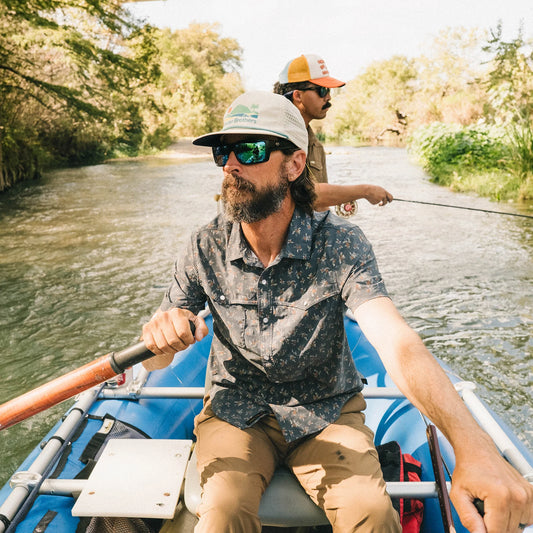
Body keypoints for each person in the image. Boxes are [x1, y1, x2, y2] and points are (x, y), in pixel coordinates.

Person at [142, 91, 532, 533]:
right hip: (236, 410)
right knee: (221, 514)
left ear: (293, 165)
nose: (232, 164)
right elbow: (156, 359)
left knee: (372, 512)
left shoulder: (341, 243)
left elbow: (395, 341)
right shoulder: (203, 245)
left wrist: (472, 445)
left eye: (249, 150)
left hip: (326, 411)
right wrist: (159, 336)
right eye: (223, 151)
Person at [274, 53, 393, 211]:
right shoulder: (277, 138)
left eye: (329, 90)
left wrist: (342, 197)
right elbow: (303, 195)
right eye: (322, 90)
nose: (328, 97)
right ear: (298, 95)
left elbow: (318, 203)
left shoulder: (314, 143)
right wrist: (365, 191)